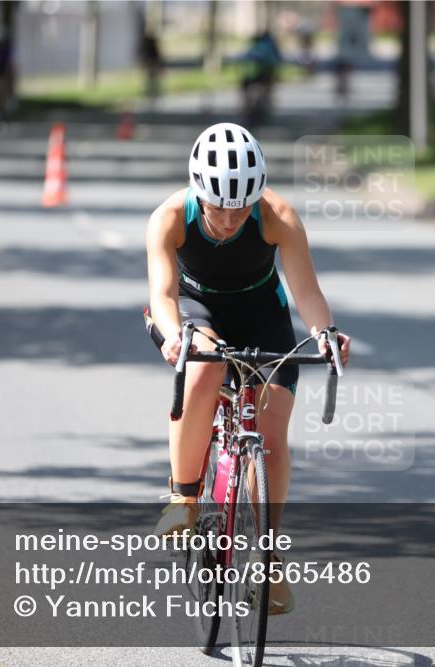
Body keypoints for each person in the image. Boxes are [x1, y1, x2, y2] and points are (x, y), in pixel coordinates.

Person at [146, 122, 351, 615]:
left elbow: (307, 293)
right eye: (219, 206)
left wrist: (325, 333)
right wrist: (176, 336)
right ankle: (184, 498)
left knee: (273, 435)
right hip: (197, 311)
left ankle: (269, 557)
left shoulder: (278, 215)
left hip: (262, 314)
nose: (231, 217)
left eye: (241, 206)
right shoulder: (170, 217)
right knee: (205, 369)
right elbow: (163, 294)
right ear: (200, 191)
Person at [241, 30, 282, 122]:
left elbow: (244, 61)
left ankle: (245, 110)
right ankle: (266, 103)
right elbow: (277, 60)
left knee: (246, 92)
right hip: (266, 71)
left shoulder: (253, 47)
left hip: (250, 73)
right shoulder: (270, 45)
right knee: (267, 88)